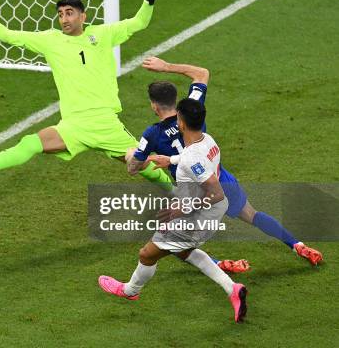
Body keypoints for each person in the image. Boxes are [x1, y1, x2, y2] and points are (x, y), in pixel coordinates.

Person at [0, 0, 172, 189]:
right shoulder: (50, 40)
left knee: (144, 165)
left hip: (105, 123)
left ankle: (177, 193)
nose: (64, 19)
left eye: (69, 13)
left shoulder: (103, 34)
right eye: (61, 14)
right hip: (73, 124)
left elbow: (139, 22)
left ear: (83, 16)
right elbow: (8, 35)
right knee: (31, 142)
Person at [127, 56, 323, 266]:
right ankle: (298, 245)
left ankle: (219, 265)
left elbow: (133, 168)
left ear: (154, 106)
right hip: (219, 178)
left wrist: (135, 154)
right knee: (252, 214)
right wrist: (166, 67)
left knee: (169, 242)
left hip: (193, 194)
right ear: (174, 99)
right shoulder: (192, 108)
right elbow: (202, 73)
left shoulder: (152, 134)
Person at [99, 99, 248, 323]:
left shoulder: (191, 157)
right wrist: (171, 160)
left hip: (198, 214)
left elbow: (216, 192)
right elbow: (194, 161)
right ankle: (232, 289)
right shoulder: (207, 140)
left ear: (181, 123)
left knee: (147, 254)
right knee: (183, 251)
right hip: (212, 211)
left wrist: (183, 208)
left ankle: (130, 291)